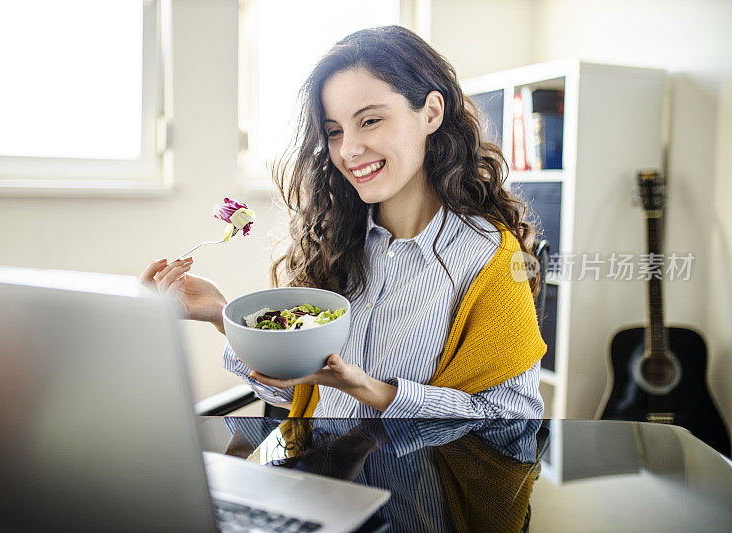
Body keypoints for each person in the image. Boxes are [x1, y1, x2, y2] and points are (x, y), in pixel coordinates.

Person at [141, 26, 546, 418]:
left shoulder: (489, 258)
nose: (348, 150)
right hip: (317, 474)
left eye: (370, 120)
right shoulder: (334, 237)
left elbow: (513, 419)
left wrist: (367, 389)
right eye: (334, 131)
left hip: (416, 484)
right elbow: (293, 391)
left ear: (431, 113)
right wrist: (220, 314)